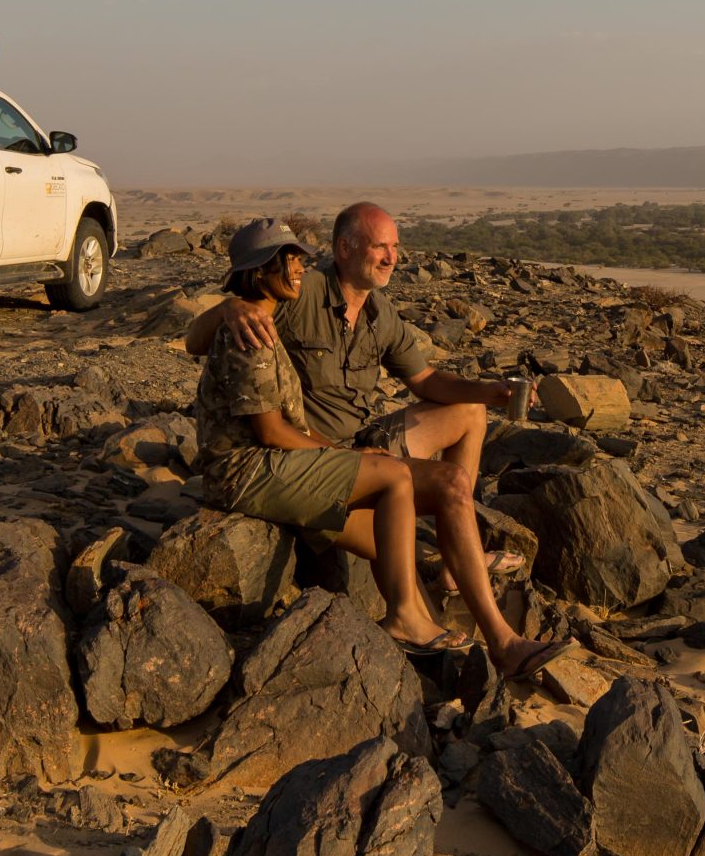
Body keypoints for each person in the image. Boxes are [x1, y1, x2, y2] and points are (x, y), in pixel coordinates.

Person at [188, 214, 559, 679]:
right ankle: (453, 631)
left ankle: (480, 627)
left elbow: (424, 380)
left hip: (334, 452)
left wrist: (490, 391)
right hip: (304, 456)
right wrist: (228, 307)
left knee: (456, 448)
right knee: (418, 490)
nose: (391, 257)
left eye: (396, 247)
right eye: (380, 246)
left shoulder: (379, 313)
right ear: (344, 248)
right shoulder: (292, 301)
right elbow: (208, 344)